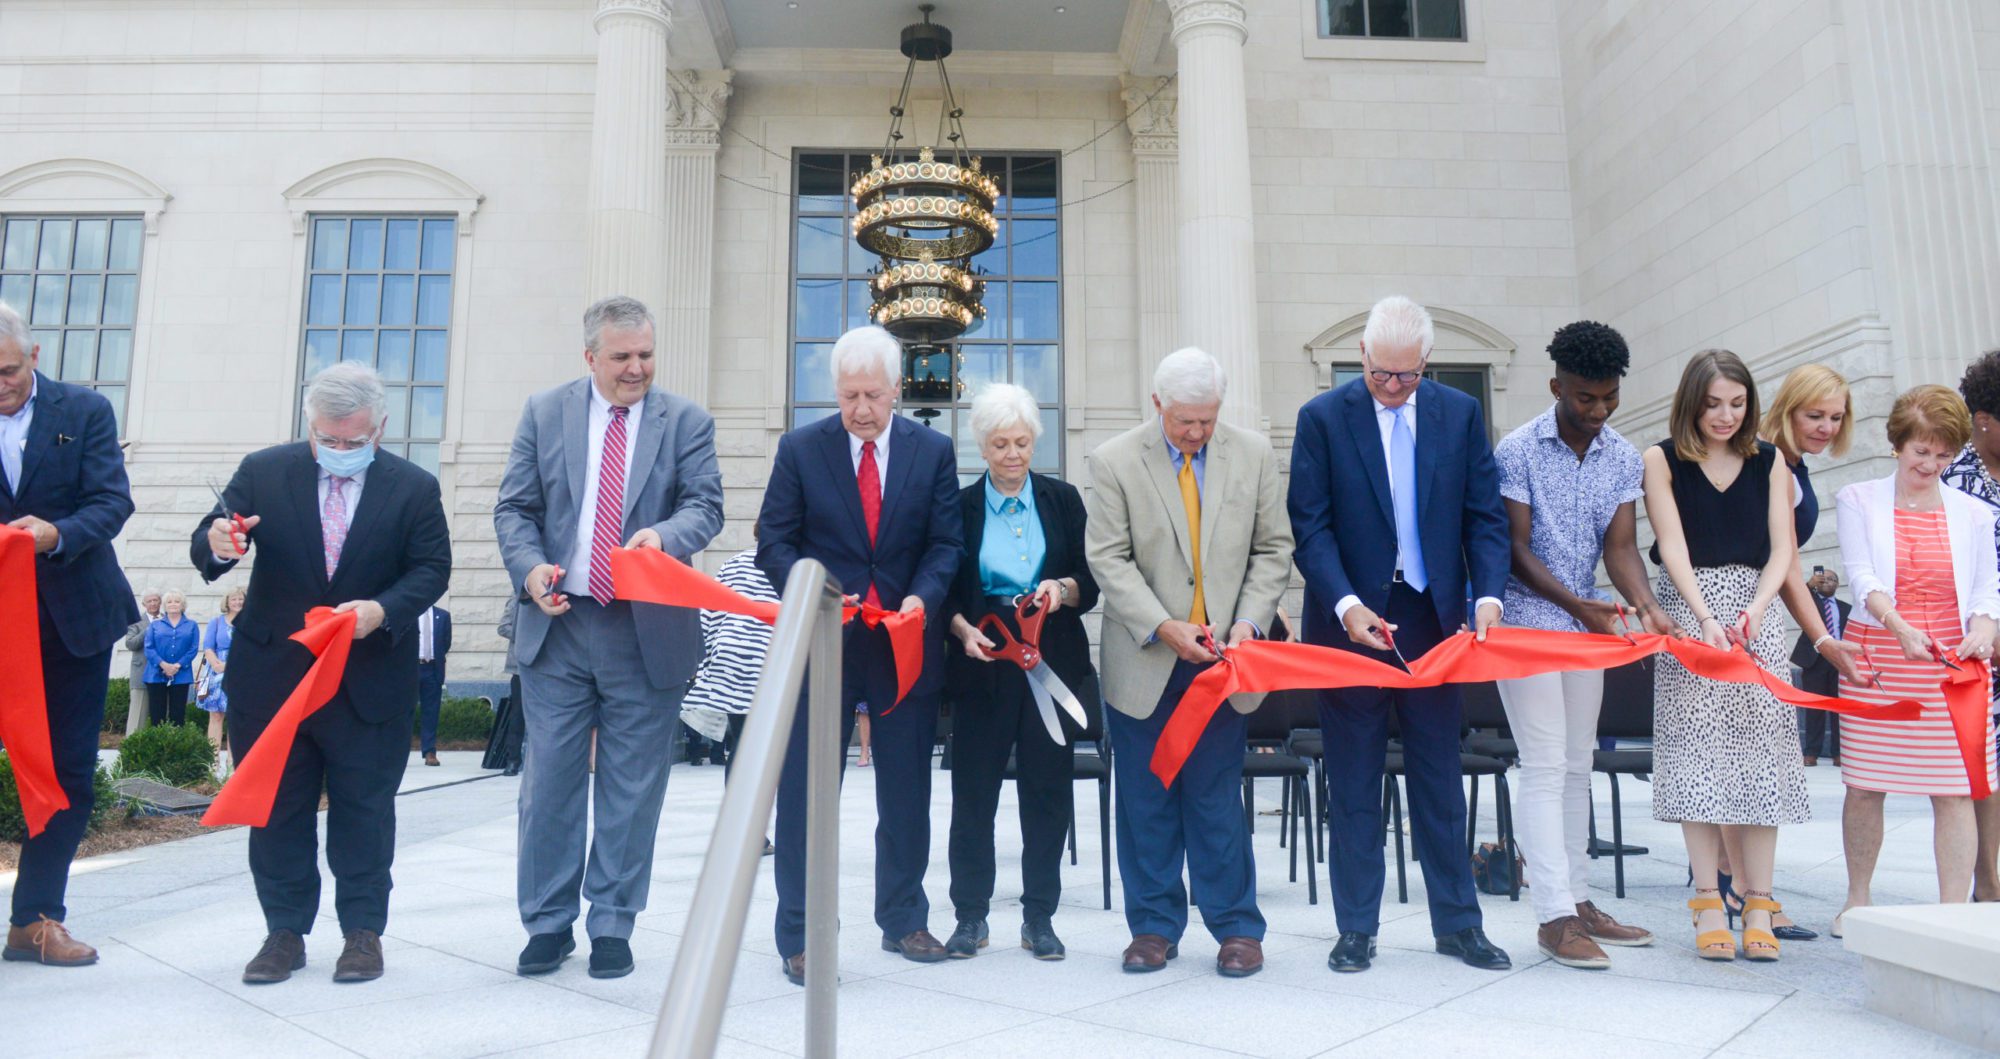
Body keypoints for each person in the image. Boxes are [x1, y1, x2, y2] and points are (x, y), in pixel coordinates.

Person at [191, 360, 450, 984]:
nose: (337, 451)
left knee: (365, 810)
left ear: (380, 428)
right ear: (309, 426)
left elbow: (432, 569)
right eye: (326, 440)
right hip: (274, 680)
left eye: (352, 441)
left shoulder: (413, 488)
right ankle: (283, 931)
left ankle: (362, 934)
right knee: (277, 811)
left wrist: (381, 610)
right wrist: (219, 544)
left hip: (367, 683)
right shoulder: (265, 470)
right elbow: (210, 540)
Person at [493, 295, 723, 980]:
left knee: (632, 786)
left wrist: (666, 538)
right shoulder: (543, 412)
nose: (637, 368)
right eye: (622, 356)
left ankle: (613, 922)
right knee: (550, 784)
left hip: (644, 629)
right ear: (589, 356)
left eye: (646, 354)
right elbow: (515, 506)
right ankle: (547, 922)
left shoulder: (686, 421)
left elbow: (705, 504)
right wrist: (531, 569)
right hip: (558, 627)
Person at [1289, 296, 1512, 974]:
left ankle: (1458, 923)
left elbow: (1484, 516)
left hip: (1433, 620)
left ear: (1425, 362)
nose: (1391, 387)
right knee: (1353, 779)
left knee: (1440, 777)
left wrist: (1489, 593)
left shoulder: (1460, 414)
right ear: (1361, 358)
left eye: (1405, 375)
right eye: (1380, 373)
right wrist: (1348, 602)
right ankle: (1356, 927)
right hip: (1351, 622)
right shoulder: (1323, 418)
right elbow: (1311, 525)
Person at [757, 324, 963, 985]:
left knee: (906, 791)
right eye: (849, 396)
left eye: (873, 394)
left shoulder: (932, 451)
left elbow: (944, 545)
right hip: (825, 643)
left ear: (897, 390)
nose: (862, 409)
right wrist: (815, 594)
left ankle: (903, 917)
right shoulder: (800, 450)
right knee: (806, 796)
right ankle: (802, 934)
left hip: (903, 643)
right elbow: (774, 543)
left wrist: (923, 600)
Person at [1086, 346, 1292, 979]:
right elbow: (1108, 558)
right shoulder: (1114, 461)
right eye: (1184, 422)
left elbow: (1271, 549)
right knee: (1145, 799)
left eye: (1206, 420)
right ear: (1157, 405)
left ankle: (1236, 927)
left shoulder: (1253, 454)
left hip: (1223, 660)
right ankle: (1152, 928)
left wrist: (1248, 624)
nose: (1197, 433)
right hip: (1147, 658)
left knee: (1215, 798)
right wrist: (1163, 625)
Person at [1489, 321, 1667, 970]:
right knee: (1541, 762)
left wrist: (1647, 607)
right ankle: (1552, 915)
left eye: (1609, 398)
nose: (1598, 410)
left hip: (1586, 629)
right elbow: (1512, 548)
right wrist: (1576, 604)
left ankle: (1579, 899)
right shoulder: (1517, 449)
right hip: (1526, 622)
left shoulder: (1620, 454)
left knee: (1577, 762)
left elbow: (1619, 548)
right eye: (1586, 398)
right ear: (1556, 386)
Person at [1642, 349, 1804, 963]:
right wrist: (1704, 617)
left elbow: (1782, 548)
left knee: (1761, 761)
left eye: (1737, 404)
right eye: (1713, 403)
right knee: (1698, 759)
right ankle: (1708, 899)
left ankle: (1759, 900)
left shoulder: (1771, 461)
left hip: (1754, 613)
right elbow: (1672, 543)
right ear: (1692, 401)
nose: (1726, 415)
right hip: (1692, 612)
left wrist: (1759, 609)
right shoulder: (1661, 459)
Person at [0, 302, 138, 968]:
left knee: (66, 774)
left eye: (4, 371)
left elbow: (112, 501)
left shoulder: (84, 413)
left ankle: (35, 920)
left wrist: (57, 535)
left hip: (71, 621)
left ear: (34, 355)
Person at [1833, 386, 2000, 932]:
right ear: (1897, 445)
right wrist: (1899, 627)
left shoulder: (1973, 512)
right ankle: (1858, 901)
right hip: (1881, 655)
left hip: (1951, 663)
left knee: (1954, 788)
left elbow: (1985, 589)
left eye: (1944, 453)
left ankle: (1954, 914)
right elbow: (1862, 577)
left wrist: (1982, 627)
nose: (1931, 464)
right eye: (1920, 451)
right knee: (1865, 784)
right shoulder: (1859, 498)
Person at [944, 383, 1100, 962]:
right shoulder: (958, 507)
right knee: (973, 795)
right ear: (981, 448)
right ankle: (970, 917)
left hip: (1050, 659)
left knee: (1048, 790)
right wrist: (961, 629)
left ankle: (1040, 917)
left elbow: (1091, 577)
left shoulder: (1063, 500)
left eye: (1023, 442)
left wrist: (1061, 588)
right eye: (1000, 444)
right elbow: (944, 588)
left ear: (1036, 442)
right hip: (984, 663)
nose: (1013, 455)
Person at [681, 524, 778, 851]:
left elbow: (707, 612)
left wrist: (709, 658)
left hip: (731, 666)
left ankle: (741, 831)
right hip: (769, 664)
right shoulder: (791, 566)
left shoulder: (734, 563)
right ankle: (753, 834)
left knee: (741, 748)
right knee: (768, 754)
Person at [1943, 348, 2000, 903]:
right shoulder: (1954, 479)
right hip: (1975, 637)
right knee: (1986, 765)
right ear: (1983, 419)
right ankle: (1987, 880)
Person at [1791, 567, 1848, 765]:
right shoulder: (1811, 605)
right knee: (1814, 708)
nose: (1827, 582)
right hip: (1814, 660)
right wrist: (1809, 586)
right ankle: (1811, 752)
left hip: (1838, 661)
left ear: (1837, 584)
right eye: (1823, 580)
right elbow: (1797, 599)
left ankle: (1838, 753)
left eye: (1831, 579)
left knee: (1839, 709)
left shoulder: (1846, 608)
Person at [142, 590, 200, 727]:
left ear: (183, 604)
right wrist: (164, 665)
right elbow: (149, 648)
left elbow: (193, 649)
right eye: (169, 601)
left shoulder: (191, 625)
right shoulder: (155, 625)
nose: (173, 604)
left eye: (177, 601)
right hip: (156, 675)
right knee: (157, 715)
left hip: (181, 675)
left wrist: (177, 666)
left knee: (178, 715)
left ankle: (175, 747)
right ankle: (158, 747)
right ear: (164, 605)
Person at [199, 586, 245, 749]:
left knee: (236, 718)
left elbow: (251, 649)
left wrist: (230, 665)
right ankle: (213, 760)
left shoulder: (249, 622)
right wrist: (216, 664)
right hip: (216, 671)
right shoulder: (216, 622)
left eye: (240, 599)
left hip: (240, 671)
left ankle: (232, 763)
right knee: (216, 716)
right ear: (227, 602)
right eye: (234, 599)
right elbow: (208, 646)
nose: (237, 602)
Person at [414, 604, 452, 766]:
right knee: (404, 712)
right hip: (411, 668)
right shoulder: (410, 612)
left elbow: (446, 643)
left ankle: (429, 751)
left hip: (432, 669)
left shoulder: (443, 616)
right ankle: (397, 752)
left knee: (431, 712)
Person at [123, 589, 161, 735]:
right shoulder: (136, 621)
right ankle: (131, 749)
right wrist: (149, 629)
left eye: (155, 600)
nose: (152, 603)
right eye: (149, 601)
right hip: (142, 674)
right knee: (137, 717)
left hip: (163, 675)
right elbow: (131, 644)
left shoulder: (167, 619)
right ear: (144, 604)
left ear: (160, 602)